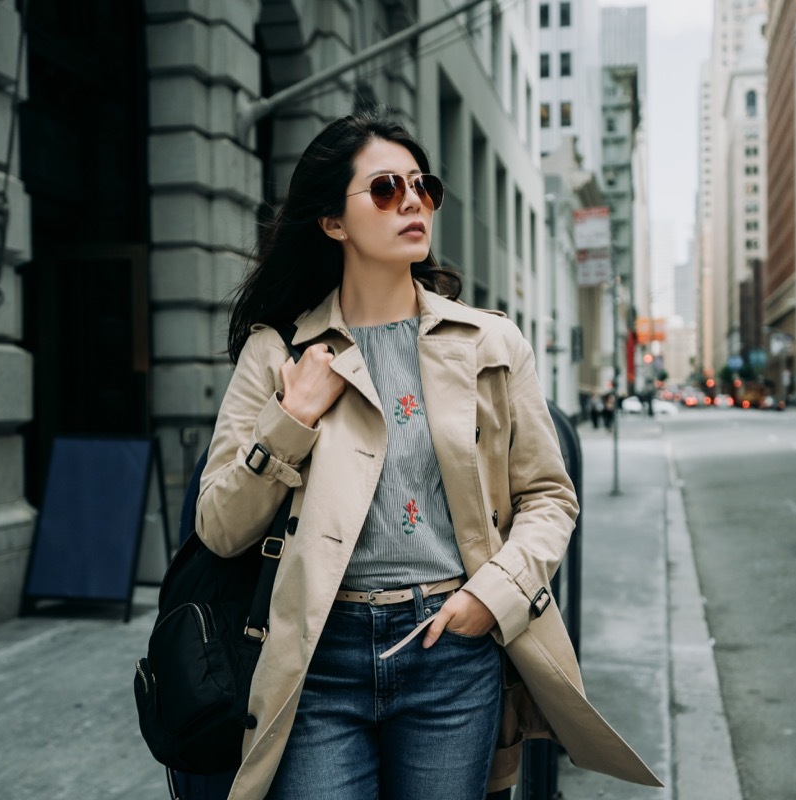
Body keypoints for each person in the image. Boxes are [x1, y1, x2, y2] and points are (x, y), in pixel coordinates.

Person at [195, 112, 660, 800]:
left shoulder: (490, 343)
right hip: (316, 660)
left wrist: (489, 598)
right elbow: (219, 526)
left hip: (452, 651)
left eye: (423, 186)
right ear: (333, 222)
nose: (413, 202)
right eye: (386, 189)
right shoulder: (279, 354)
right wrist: (292, 419)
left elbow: (548, 496)